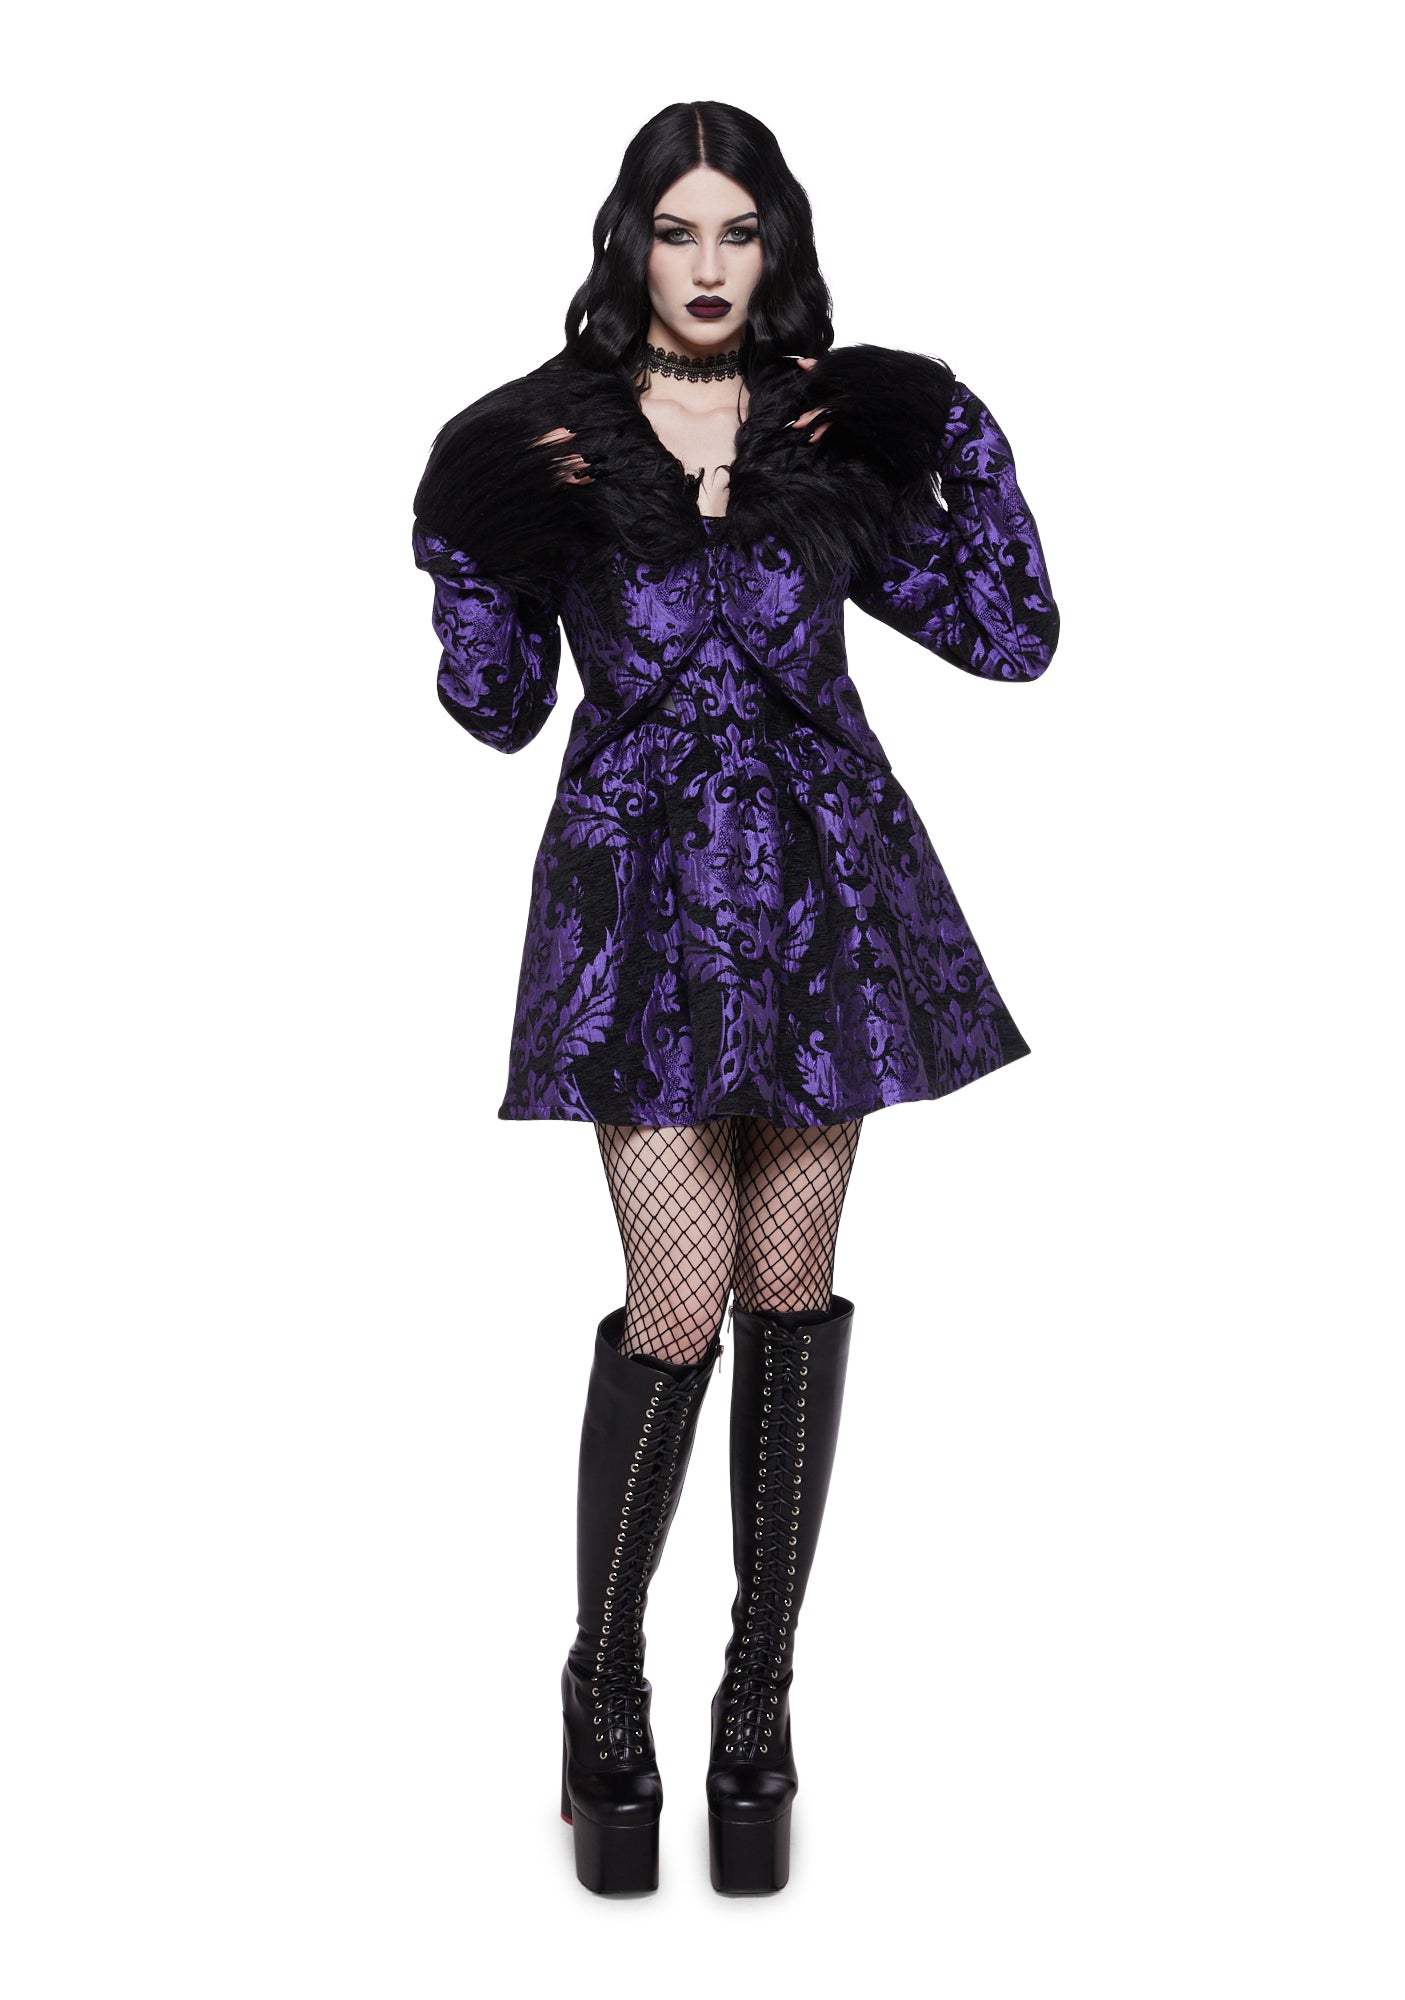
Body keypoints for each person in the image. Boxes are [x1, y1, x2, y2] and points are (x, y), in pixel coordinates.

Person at [411, 100, 1059, 1898]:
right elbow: (495, 709)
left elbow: (1008, 635)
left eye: (739, 230)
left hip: (828, 901)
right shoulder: (552, 440)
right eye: (678, 229)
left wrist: (960, 432)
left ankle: (755, 1698)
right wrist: (468, 545)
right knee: (674, 1304)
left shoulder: (822, 432)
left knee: (786, 1292)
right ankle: (602, 1689)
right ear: (630, 241)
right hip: (636, 915)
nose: (707, 264)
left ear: (775, 246)